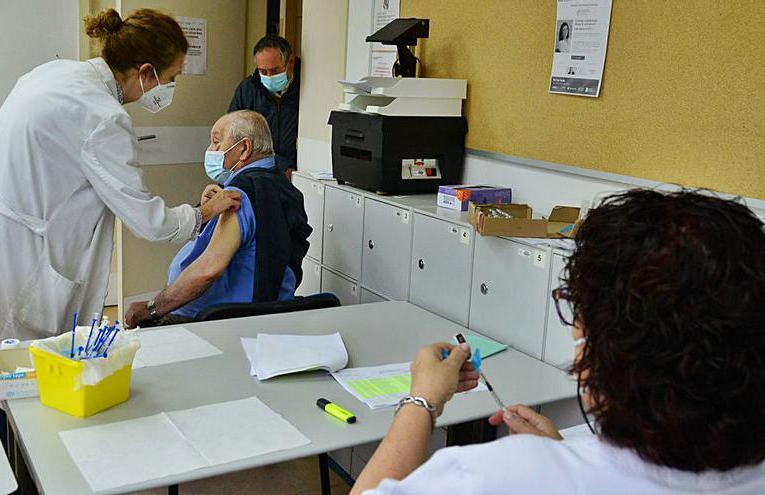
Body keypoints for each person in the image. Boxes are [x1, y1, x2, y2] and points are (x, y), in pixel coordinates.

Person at [353, 189, 765, 494]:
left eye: (580, 320)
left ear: (609, 354)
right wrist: (560, 455)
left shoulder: (490, 478)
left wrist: (421, 401)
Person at [0, 8, 242, 351]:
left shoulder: (54, 73)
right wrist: (203, 212)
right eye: (171, 77)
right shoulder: (103, 118)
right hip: (13, 248)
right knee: (6, 358)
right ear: (145, 71)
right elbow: (150, 222)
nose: (170, 87)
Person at [124, 110, 311, 327]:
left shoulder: (241, 195)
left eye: (216, 142)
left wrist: (152, 308)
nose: (210, 151)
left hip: (216, 320)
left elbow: (207, 271)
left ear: (244, 149)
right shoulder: (281, 186)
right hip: (266, 313)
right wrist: (206, 214)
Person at [227, 35, 300, 179]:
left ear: (290, 62)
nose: (269, 76)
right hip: (259, 170)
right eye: (262, 71)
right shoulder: (248, 89)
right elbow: (235, 134)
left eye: (274, 71)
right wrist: (280, 164)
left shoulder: (306, 87)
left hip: (297, 173)